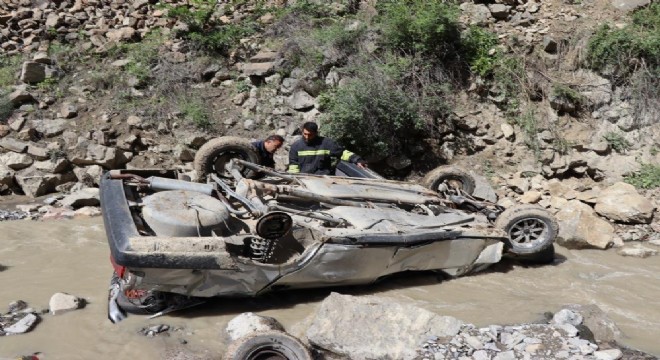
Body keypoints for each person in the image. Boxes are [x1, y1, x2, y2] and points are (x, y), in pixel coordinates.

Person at [288, 122, 366, 175]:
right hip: (305, 179)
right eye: (305, 134)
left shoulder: (326, 143)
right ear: (302, 132)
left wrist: (357, 160)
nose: (307, 137)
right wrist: (294, 178)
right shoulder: (296, 146)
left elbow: (341, 153)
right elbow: (293, 165)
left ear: (316, 133)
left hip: (324, 179)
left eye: (310, 135)